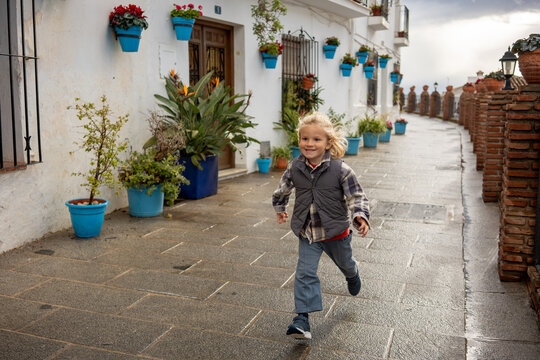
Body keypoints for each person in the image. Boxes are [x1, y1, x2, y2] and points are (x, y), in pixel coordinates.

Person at [272, 111, 370, 340]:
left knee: (345, 263)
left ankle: (352, 273)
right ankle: (302, 319)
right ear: (299, 141)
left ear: (328, 143)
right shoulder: (295, 168)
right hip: (309, 232)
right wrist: (280, 207)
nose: (310, 143)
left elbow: (357, 196)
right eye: (305, 138)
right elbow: (282, 189)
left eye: (316, 139)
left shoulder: (341, 170)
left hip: (336, 232)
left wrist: (360, 216)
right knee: (305, 273)